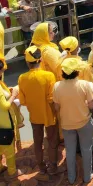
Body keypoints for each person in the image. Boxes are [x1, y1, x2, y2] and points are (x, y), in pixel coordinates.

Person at [18, 46, 60, 175]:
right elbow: (51, 99)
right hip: (49, 115)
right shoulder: (49, 76)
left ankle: (41, 166)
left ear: (27, 62)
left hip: (34, 116)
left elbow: (23, 101)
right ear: (41, 59)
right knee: (52, 141)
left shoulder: (22, 78)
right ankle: (53, 166)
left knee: (38, 142)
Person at [54, 57, 93, 185]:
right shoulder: (85, 85)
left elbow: (56, 107)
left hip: (66, 124)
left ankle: (71, 178)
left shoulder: (57, 86)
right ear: (77, 71)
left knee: (70, 151)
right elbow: (91, 105)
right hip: (84, 122)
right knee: (86, 149)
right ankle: (87, 176)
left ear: (63, 72)